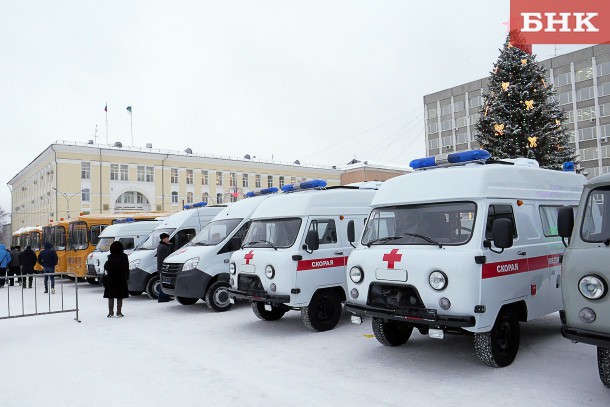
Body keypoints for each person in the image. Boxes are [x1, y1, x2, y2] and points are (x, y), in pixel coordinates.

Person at [103, 241, 130, 317]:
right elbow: (126, 268)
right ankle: (119, 312)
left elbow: (106, 267)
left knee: (110, 296)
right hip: (121, 279)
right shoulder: (124, 256)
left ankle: (110, 312)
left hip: (111, 279)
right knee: (120, 296)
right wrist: (127, 277)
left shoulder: (111, 257)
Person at [156, 232, 173, 303]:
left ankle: (166, 296)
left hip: (161, 267)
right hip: (164, 268)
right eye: (167, 238)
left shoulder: (161, 246)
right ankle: (162, 298)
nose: (168, 239)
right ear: (164, 239)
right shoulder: (164, 247)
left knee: (165, 282)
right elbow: (165, 259)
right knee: (164, 282)